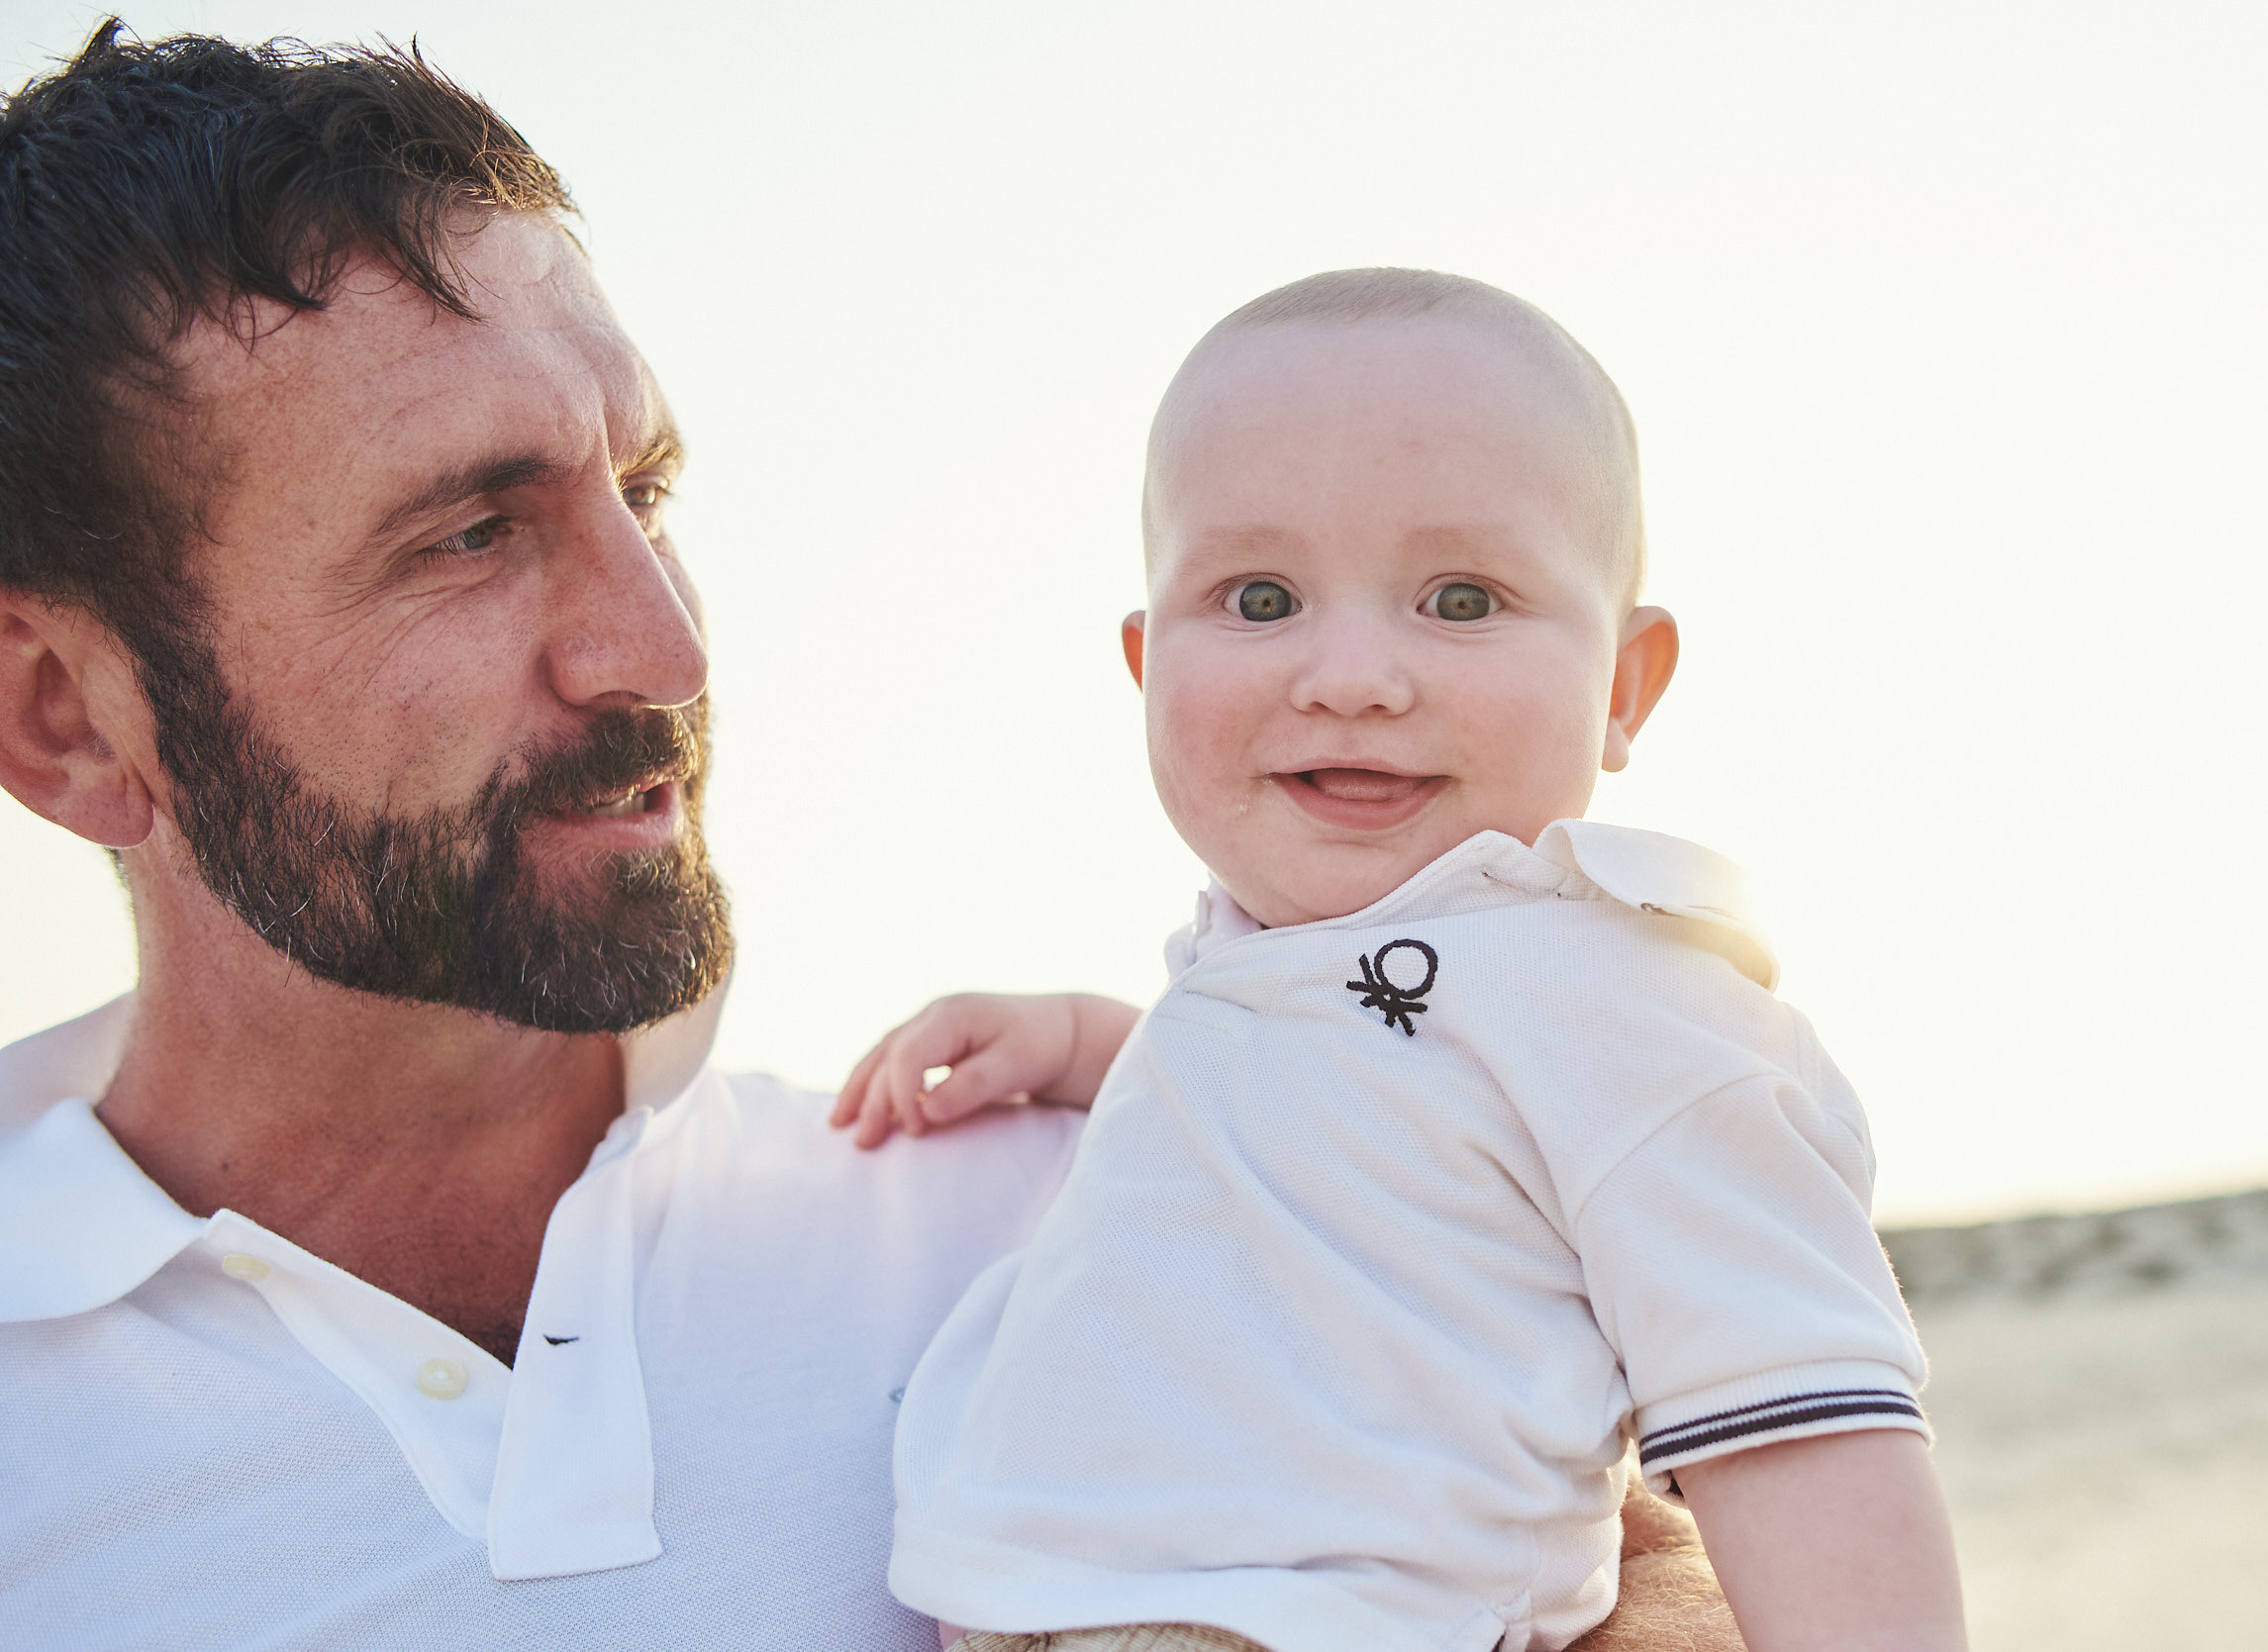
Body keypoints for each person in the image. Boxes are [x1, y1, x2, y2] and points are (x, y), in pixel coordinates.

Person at [0, 25, 1738, 1651]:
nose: (665, 648)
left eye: (648, 494)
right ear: (67, 720)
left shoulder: (1127, 1202)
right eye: (467, 534)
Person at [834, 272, 1968, 1652]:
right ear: (1145, 665)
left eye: (1462, 597)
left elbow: (1805, 1409)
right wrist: (1090, 1042)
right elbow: (1343, 1122)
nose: (1354, 674)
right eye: (1260, 597)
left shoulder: (1631, 1000)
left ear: (1623, 686)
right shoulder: (1282, 966)